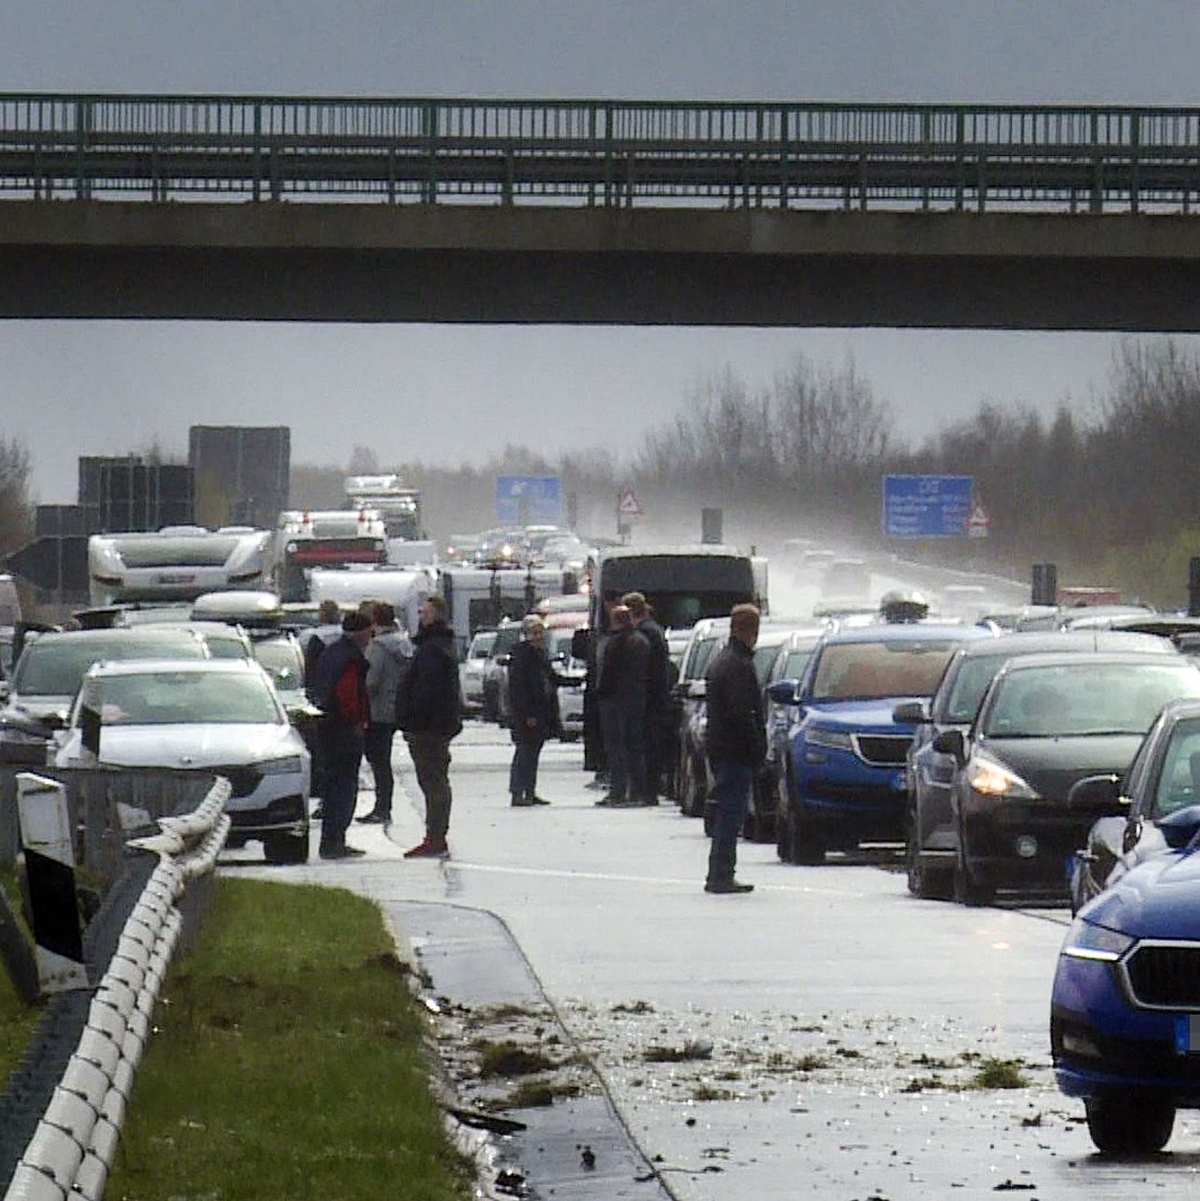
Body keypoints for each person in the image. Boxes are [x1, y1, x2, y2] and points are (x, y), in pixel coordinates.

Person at [702, 603, 764, 894]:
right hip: (734, 750)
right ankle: (721, 873)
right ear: (749, 630)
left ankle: (721, 871)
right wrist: (755, 747)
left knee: (727, 809)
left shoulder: (722, 660)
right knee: (731, 812)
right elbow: (742, 713)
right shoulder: (738, 665)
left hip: (722, 746)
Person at [396, 594, 462, 857]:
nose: (421, 616)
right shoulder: (435, 646)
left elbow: (428, 691)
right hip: (433, 726)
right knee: (434, 781)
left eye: (426, 613)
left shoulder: (433, 649)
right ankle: (435, 834)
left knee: (433, 781)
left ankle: (435, 836)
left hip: (428, 728)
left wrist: (414, 720)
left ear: (437, 615)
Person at [309, 610, 373, 860]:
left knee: (333, 784)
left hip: (327, 728)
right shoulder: (350, 659)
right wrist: (357, 721)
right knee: (343, 786)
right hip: (343, 731)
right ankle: (335, 840)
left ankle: (332, 838)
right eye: (369, 631)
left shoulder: (331, 653)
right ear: (362, 632)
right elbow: (347, 696)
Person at [357, 600, 414, 826]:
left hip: (377, 710)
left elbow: (371, 680)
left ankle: (382, 807)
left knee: (378, 760)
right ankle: (384, 806)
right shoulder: (403, 643)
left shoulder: (378, 646)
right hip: (397, 706)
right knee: (383, 760)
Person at [595, 604, 650, 806]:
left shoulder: (615, 643)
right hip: (636, 699)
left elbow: (608, 674)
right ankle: (637, 791)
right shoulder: (641, 641)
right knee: (634, 747)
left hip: (615, 702)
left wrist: (601, 693)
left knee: (616, 748)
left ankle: (618, 792)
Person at [506, 615, 562, 807]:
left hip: (541, 711)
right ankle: (517, 792)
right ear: (526, 635)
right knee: (524, 752)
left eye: (540, 633)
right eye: (534, 633)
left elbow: (552, 678)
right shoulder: (522, 656)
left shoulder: (540, 655)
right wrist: (527, 714)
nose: (538, 637)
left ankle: (530, 791)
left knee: (533, 753)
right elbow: (519, 688)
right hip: (527, 714)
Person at [622, 591, 669, 804]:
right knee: (649, 745)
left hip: (648, 697)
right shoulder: (654, 630)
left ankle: (646, 791)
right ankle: (647, 790)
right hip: (655, 696)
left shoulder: (644, 634)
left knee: (644, 746)